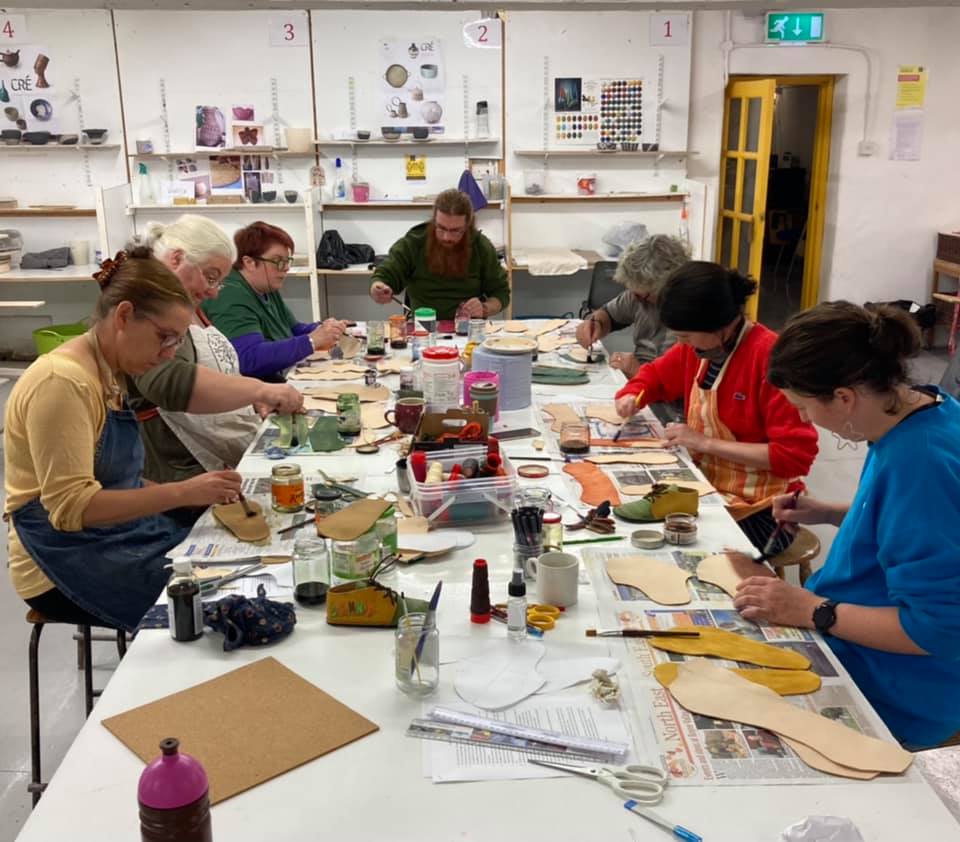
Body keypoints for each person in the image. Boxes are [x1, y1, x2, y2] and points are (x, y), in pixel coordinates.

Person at [734, 301, 960, 749]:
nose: (803, 419)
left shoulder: (918, 464)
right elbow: (913, 526)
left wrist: (812, 610)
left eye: (803, 406)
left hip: (895, 688)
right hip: (862, 641)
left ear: (843, 398)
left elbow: (939, 629)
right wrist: (832, 512)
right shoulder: (928, 409)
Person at [3, 249, 243, 632]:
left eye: (176, 342)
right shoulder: (62, 383)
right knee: (213, 602)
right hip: (57, 562)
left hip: (109, 536)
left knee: (231, 562)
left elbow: (117, 480)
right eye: (164, 338)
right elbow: (71, 508)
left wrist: (192, 494)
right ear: (124, 315)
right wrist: (181, 492)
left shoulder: (110, 372)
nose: (168, 354)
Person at [614, 261, 818, 553]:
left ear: (718, 325)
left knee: (678, 543)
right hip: (708, 485)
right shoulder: (698, 349)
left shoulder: (770, 358)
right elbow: (656, 377)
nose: (681, 343)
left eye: (686, 336)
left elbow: (793, 457)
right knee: (631, 523)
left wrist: (704, 442)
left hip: (765, 510)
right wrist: (632, 394)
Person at [125, 217, 304, 487]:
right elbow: (166, 381)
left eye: (218, 282)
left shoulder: (184, 304)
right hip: (180, 471)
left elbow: (214, 369)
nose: (213, 293)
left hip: (214, 457)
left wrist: (246, 400)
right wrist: (258, 390)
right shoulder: (144, 307)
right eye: (210, 277)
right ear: (176, 259)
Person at [203, 221, 347, 381]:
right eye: (277, 261)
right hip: (254, 387)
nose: (285, 268)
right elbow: (247, 358)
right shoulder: (230, 295)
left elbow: (292, 329)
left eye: (287, 261)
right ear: (249, 262)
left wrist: (326, 329)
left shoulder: (265, 285)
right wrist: (312, 340)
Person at [368, 188, 510, 322]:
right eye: (441, 228)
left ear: (468, 226)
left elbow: (501, 293)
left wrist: (484, 308)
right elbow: (386, 273)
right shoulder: (415, 241)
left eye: (455, 231)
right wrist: (378, 287)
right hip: (422, 328)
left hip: (467, 328)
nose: (447, 237)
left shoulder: (480, 246)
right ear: (434, 220)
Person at [575, 234, 689, 377]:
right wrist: (596, 324)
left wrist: (638, 371)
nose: (636, 298)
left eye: (644, 295)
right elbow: (608, 315)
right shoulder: (639, 295)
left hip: (661, 384)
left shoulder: (692, 312)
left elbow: (683, 382)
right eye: (633, 291)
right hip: (641, 380)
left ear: (669, 286)